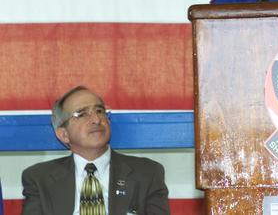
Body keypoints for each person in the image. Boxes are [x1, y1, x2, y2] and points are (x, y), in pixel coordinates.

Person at [21, 86, 170, 215]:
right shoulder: (39, 178)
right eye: (82, 114)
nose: (96, 119)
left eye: (100, 111)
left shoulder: (147, 173)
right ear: (63, 134)